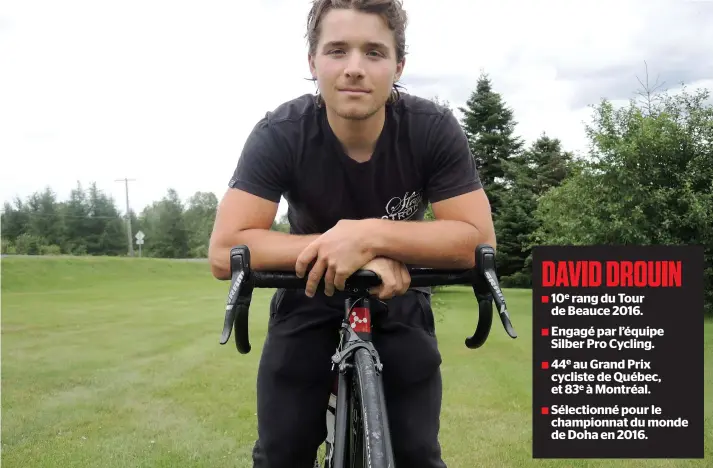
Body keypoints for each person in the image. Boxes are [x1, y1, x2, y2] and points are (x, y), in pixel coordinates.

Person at [208, 0, 496, 466]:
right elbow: (225, 251)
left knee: (417, 453)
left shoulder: (432, 129)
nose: (355, 69)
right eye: (337, 50)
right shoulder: (281, 132)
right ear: (313, 62)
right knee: (281, 452)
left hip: (399, 294)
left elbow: (477, 239)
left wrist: (369, 236)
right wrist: (345, 249)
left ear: (398, 65)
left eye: (375, 53)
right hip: (306, 290)